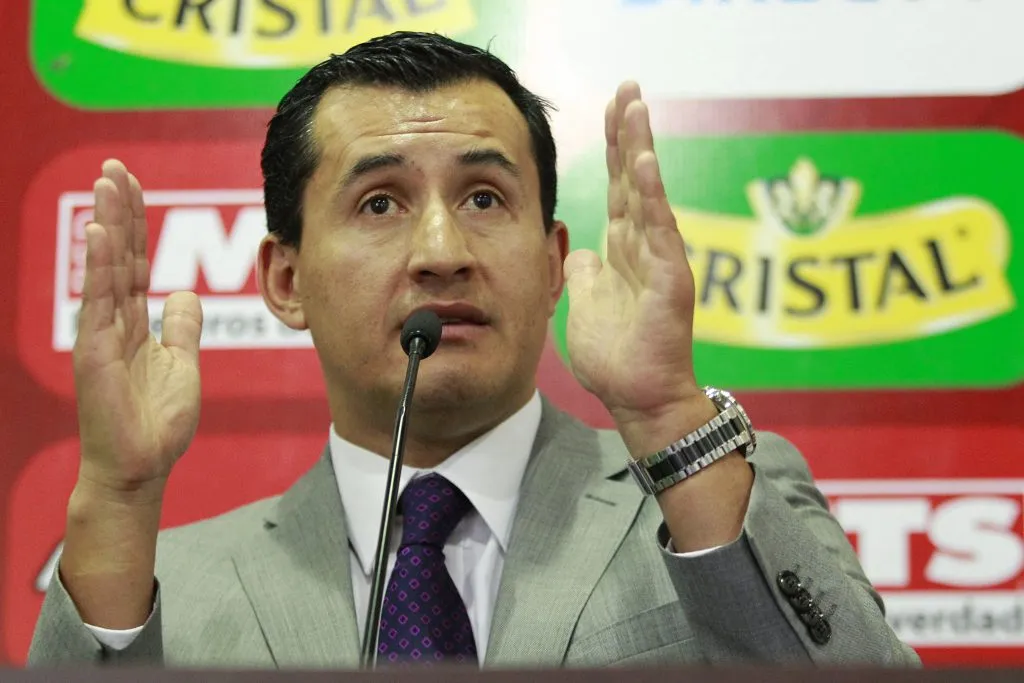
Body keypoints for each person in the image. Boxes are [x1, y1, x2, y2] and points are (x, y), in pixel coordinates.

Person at [28, 31, 919, 669]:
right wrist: (117, 492)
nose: (441, 249)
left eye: (486, 197)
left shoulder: (713, 494)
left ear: (553, 259)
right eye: (380, 203)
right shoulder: (167, 583)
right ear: (285, 280)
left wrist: (667, 417)